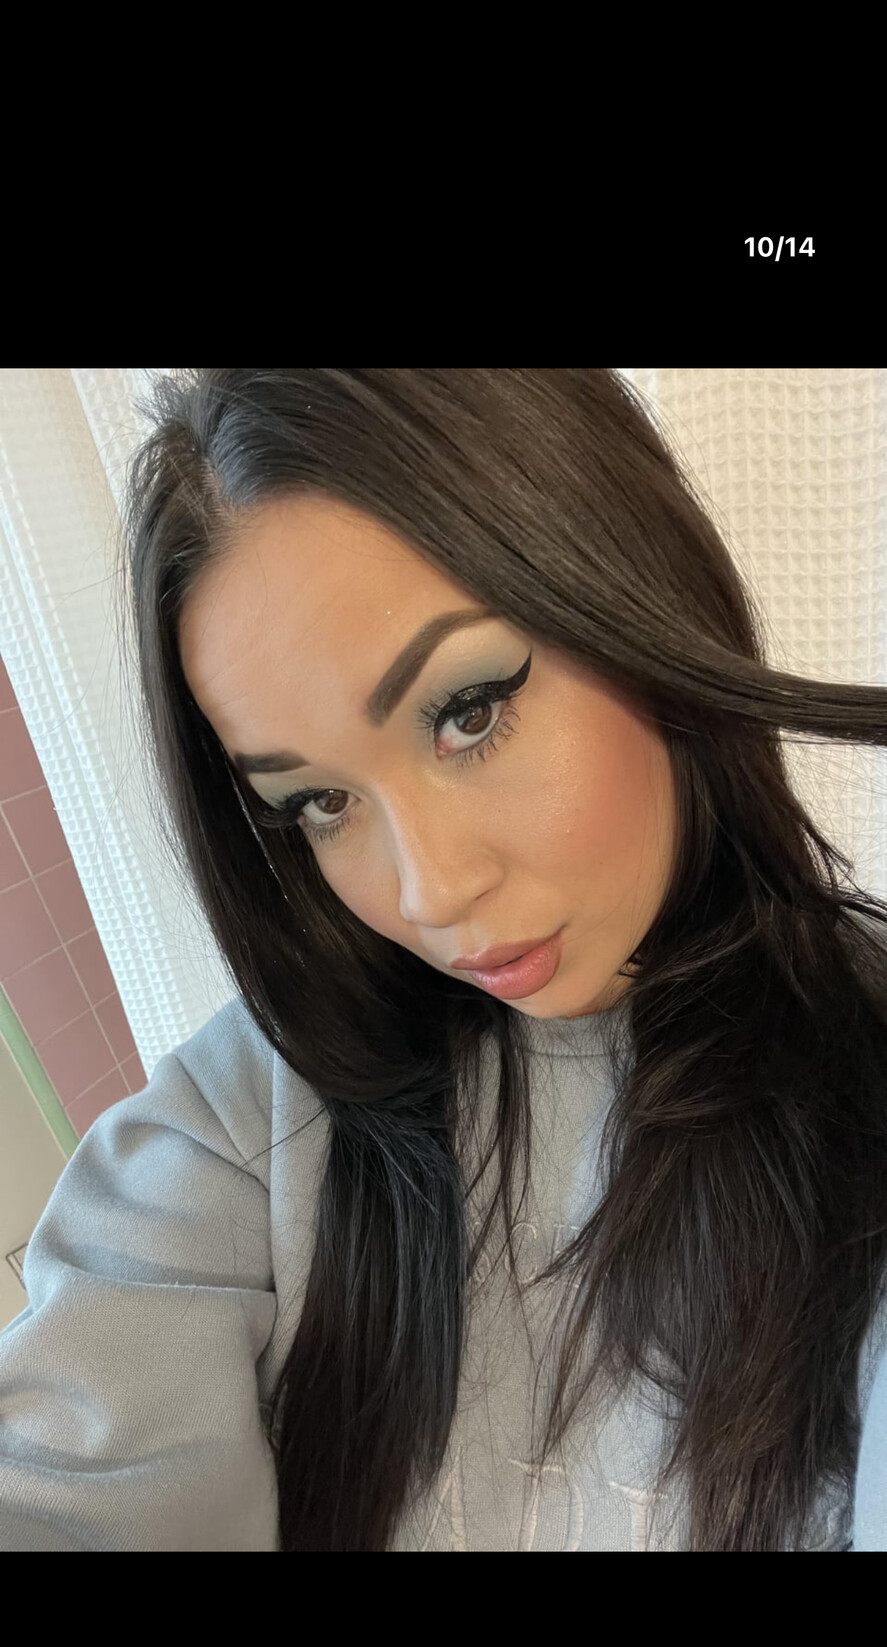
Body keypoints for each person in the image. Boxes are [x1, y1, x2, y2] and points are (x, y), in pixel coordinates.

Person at [2, 367, 886, 1551]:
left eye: (467, 714)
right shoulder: (255, 1118)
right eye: (318, 802)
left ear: (634, 593)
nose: (424, 893)